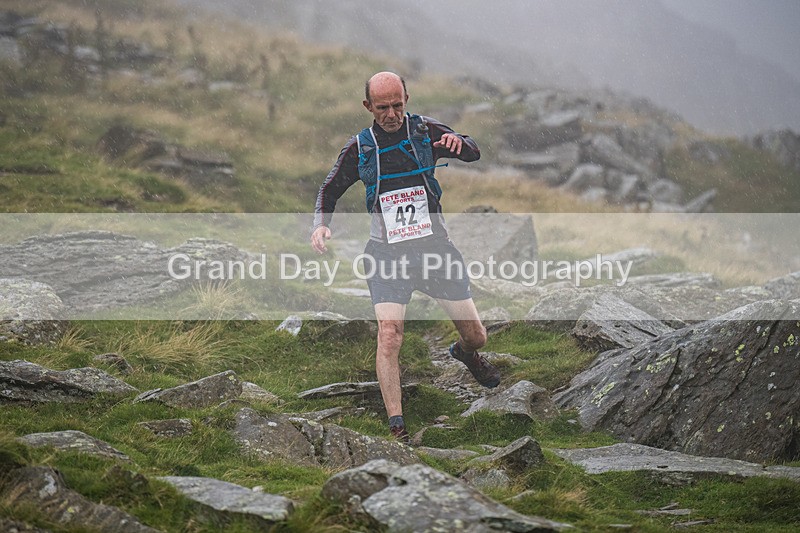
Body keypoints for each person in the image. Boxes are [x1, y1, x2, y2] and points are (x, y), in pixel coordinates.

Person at [311, 71, 500, 443]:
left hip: (434, 250)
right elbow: (328, 189)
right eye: (383, 107)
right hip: (386, 255)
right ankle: (396, 425)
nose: (392, 114)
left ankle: (466, 354)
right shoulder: (361, 147)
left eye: (398, 105)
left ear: (407, 99)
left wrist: (460, 142)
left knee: (477, 336)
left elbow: (474, 150)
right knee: (389, 334)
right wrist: (320, 224)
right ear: (368, 107)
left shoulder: (423, 131)